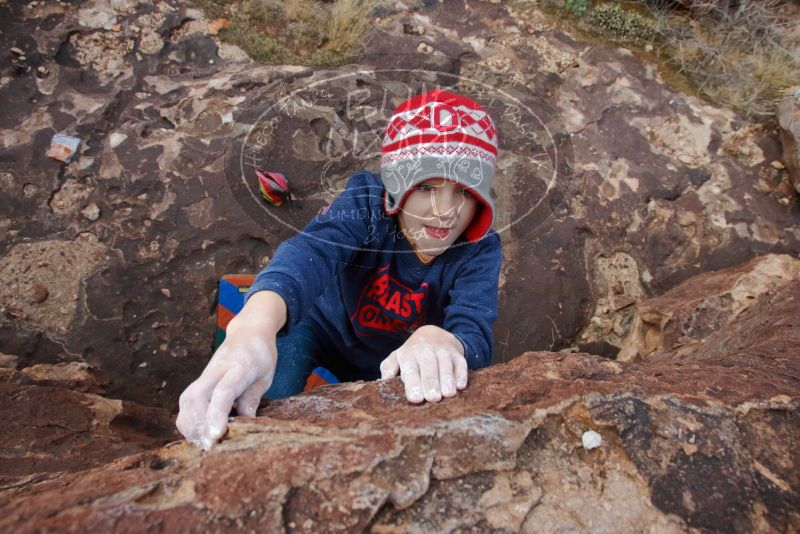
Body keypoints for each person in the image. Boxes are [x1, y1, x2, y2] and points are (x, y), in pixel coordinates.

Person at [177, 89, 503, 450]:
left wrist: (446, 340)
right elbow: (310, 252)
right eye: (426, 186)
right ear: (397, 186)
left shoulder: (478, 250)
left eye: (464, 191)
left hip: (397, 358)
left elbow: (475, 331)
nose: (446, 210)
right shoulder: (365, 203)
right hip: (319, 328)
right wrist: (252, 328)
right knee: (256, 400)